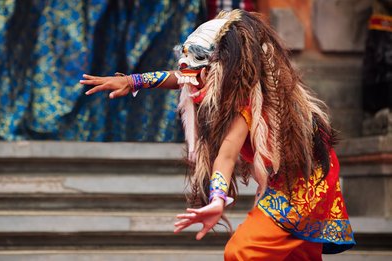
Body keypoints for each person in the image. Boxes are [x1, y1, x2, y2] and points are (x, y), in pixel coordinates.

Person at [80, 9, 355, 260]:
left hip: (305, 178)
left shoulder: (245, 98)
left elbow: (227, 153)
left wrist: (217, 200)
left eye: (198, 64)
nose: (188, 73)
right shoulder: (213, 76)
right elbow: (184, 76)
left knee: (241, 252)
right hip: (297, 174)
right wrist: (132, 81)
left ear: (222, 66)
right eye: (186, 58)